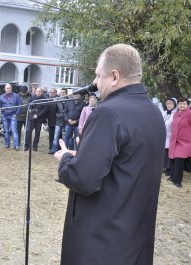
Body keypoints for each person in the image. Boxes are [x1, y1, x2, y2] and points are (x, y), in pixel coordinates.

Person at [54, 44, 165, 265]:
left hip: (101, 243)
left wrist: (66, 158)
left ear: (114, 76)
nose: (95, 82)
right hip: (134, 239)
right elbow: (126, 163)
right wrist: (86, 156)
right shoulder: (153, 112)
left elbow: (83, 179)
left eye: (98, 75)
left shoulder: (108, 113)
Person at [168, 97, 191, 188]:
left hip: (184, 141)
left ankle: (178, 180)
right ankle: (172, 176)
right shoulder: (176, 114)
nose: (182, 105)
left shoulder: (189, 113)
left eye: (184, 104)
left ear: (187, 105)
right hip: (174, 140)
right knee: (173, 158)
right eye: (180, 103)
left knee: (179, 160)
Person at [0, 83, 21, 150]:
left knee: (14, 131)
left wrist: (16, 114)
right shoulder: (1, 96)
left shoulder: (16, 96)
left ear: (11, 88)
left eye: (9, 88)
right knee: (6, 131)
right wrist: (1, 114)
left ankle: (16, 145)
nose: (8, 89)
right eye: (7, 88)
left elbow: (19, 106)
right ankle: (7, 144)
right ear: (5, 89)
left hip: (13, 115)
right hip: (5, 116)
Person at [24, 87, 47, 151]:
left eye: (39, 91)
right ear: (35, 91)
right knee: (28, 132)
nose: (38, 92)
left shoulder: (44, 99)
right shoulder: (31, 98)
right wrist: (32, 113)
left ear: (42, 92)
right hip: (31, 118)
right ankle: (26, 145)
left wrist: (38, 115)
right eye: (37, 91)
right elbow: (28, 107)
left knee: (37, 133)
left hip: (39, 118)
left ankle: (35, 146)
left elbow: (45, 109)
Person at [161, 98, 177, 176]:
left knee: (169, 152)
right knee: (163, 152)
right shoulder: (164, 113)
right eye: (168, 104)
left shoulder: (175, 114)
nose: (169, 105)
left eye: (171, 104)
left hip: (170, 135)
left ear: (174, 105)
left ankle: (169, 168)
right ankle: (163, 167)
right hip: (163, 135)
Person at [50, 88, 68, 153]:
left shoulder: (69, 100)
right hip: (58, 121)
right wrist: (58, 115)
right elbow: (54, 111)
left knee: (65, 137)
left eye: (64, 92)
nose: (62, 94)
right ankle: (54, 150)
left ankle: (64, 150)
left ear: (66, 93)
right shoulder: (57, 100)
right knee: (56, 136)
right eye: (61, 92)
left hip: (66, 121)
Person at [46, 88, 58, 153]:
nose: (52, 93)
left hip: (58, 121)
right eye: (50, 92)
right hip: (50, 120)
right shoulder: (48, 99)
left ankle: (58, 148)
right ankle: (51, 148)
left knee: (58, 136)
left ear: (56, 92)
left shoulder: (59, 99)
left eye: (53, 92)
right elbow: (46, 110)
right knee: (51, 135)